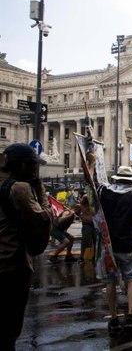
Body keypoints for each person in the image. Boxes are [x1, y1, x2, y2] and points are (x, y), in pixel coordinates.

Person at [0, 143, 52, 349]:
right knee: (9, 327)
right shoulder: (20, 188)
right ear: (21, 165)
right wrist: (40, 189)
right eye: (32, 165)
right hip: (11, 264)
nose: (35, 169)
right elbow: (44, 219)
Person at [98, 165, 132, 338]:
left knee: (111, 282)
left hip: (109, 246)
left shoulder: (105, 193)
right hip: (128, 245)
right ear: (131, 181)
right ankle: (130, 316)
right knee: (131, 279)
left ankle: (114, 318)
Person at [76, 192, 95, 263]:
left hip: (93, 223)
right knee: (85, 241)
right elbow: (80, 209)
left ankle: (94, 256)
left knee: (95, 241)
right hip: (87, 224)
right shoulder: (86, 197)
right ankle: (81, 257)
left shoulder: (93, 198)